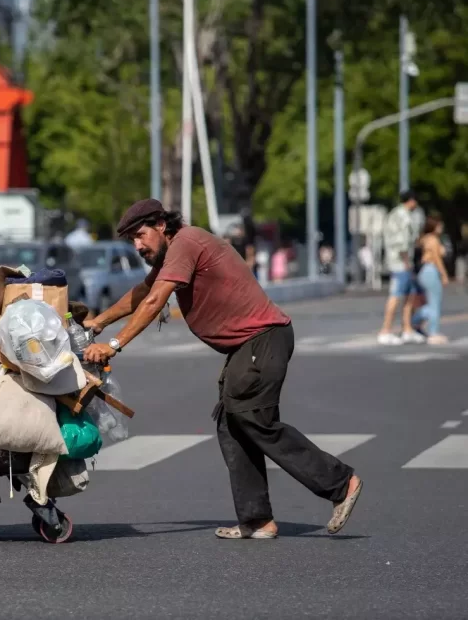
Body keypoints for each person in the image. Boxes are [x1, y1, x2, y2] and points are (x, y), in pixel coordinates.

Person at [82, 199, 363, 539]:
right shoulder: (175, 250)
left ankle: (340, 483)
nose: (138, 246)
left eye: (140, 236)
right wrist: (98, 322)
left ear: (160, 225)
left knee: (254, 419)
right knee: (232, 424)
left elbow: (156, 301)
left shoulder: (185, 243)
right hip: (249, 347)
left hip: (263, 340)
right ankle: (257, 520)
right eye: (131, 241)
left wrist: (113, 344)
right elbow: (143, 292)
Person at [378, 191, 423, 345]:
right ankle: (386, 330)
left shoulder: (397, 214)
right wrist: (406, 262)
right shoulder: (402, 216)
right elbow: (402, 242)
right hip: (400, 262)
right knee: (396, 296)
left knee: (410, 294)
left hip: (402, 261)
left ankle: (407, 329)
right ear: (411, 200)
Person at [412, 215, 450, 345]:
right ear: (434, 226)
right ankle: (432, 332)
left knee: (431, 302)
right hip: (431, 270)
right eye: (439, 225)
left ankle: (415, 321)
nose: (441, 228)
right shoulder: (433, 240)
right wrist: (444, 274)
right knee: (435, 302)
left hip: (424, 272)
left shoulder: (424, 239)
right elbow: (436, 259)